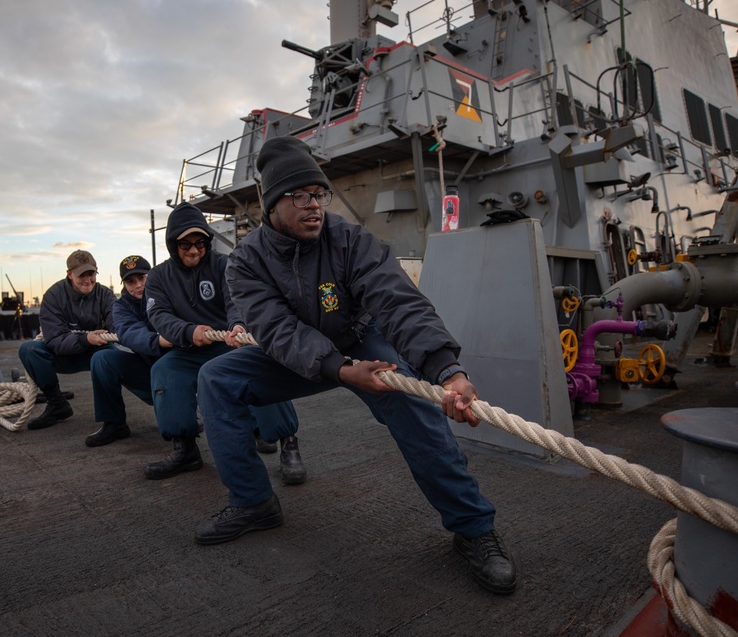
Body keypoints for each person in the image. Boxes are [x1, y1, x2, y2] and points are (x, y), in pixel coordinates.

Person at [193, 136, 517, 596]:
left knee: (416, 413)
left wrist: (448, 371)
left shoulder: (348, 240)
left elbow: (397, 300)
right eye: (299, 195)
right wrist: (340, 369)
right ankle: (253, 502)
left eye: (319, 194)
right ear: (271, 205)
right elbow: (276, 329)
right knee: (215, 378)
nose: (314, 206)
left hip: (363, 337)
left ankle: (473, 528)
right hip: (307, 354)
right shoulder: (246, 262)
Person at [143, 203, 305, 482]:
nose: (193, 250)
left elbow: (236, 300)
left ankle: (287, 443)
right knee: (164, 372)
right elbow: (159, 315)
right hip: (190, 347)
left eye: (200, 242)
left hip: (228, 344)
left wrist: (237, 326)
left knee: (262, 369)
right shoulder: (158, 277)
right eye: (185, 244)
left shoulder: (224, 264)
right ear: (173, 245)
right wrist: (189, 331)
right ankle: (185, 448)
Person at [19, 249, 116, 430]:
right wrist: (86, 338)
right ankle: (57, 403)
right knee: (29, 350)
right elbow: (55, 340)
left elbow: (117, 327)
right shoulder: (53, 296)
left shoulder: (105, 295)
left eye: (91, 273)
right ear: (69, 274)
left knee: (116, 358)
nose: (88, 280)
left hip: (97, 352)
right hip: (64, 353)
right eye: (82, 275)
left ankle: (114, 419)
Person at [86, 255, 171, 447]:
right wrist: (159, 340)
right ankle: (114, 423)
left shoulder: (168, 293)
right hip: (150, 367)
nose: (138, 285)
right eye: (131, 281)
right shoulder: (121, 306)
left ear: (152, 276)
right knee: (102, 359)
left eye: (142, 278)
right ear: (124, 284)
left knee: (174, 428)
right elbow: (129, 333)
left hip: (179, 369)